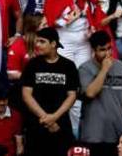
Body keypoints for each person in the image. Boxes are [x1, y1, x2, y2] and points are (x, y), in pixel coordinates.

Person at [22, 27, 79, 156]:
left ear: (53, 44)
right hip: (36, 127)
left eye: (42, 42)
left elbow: (72, 95)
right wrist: (47, 119)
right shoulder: (32, 65)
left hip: (61, 126)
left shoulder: (68, 66)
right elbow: (26, 95)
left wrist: (54, 117)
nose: (37, 45)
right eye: (37, 41)